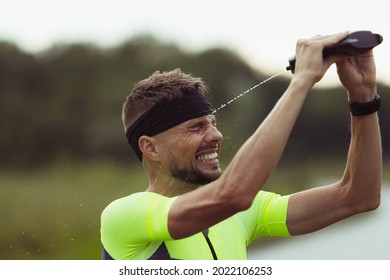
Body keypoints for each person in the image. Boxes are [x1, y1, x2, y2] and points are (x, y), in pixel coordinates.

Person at [100, 31, 382, 260]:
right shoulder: (124, 216)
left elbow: (358, 197)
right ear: (150, 148)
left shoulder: (243, 212)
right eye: (196, 127)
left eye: (212, 123)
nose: (215, 135)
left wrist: (364, 96)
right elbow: (234, 194)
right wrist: (301, 82)